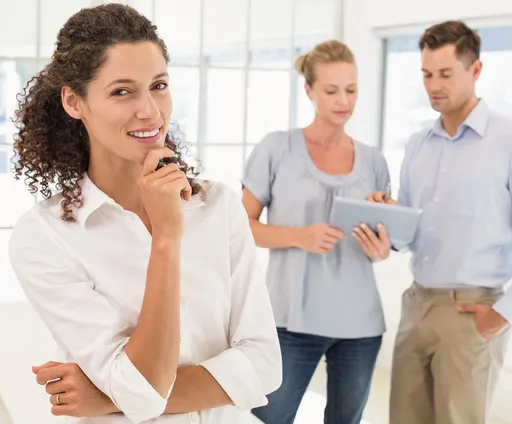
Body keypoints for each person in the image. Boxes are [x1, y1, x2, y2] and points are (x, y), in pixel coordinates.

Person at [8, 4, 281, 423]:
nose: (150, 111)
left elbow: (264, 364)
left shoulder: (219, 207)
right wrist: (167, 237)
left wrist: (111, 396)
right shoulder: (44, 236)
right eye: (121, 91)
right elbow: (144, 388)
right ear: (74, 102)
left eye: (158, 85)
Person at [369, 20, 512, 424]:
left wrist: (502, 313)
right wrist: (385, 221)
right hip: (417, 305)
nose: (433, 85)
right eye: (426, 74)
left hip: (473, 312)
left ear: (475, 70)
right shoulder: (418, 144)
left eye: (445, 74)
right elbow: (410, 234)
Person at [242, 40, 391, 424]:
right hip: (291, 321)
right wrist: (300, 236)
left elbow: (383, 244)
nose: (344, 100)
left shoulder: (374, 160)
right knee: (266, 419)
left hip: (359, 324)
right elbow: (241, 227)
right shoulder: (278, 148)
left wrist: (379, 247)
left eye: (351, 89)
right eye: (331, 90)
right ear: (308, 90)